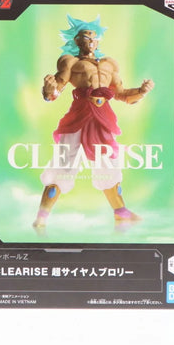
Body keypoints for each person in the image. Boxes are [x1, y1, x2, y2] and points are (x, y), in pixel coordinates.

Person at [33, 15, 154, 228]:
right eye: (86, 36)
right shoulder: (70, 62)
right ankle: (41, 217)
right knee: (63, 164)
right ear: (77, 40)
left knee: (108, 165)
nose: (91, 40)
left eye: (94, 37)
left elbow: (122, 94)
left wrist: (142, 92)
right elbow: (56, 90)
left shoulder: (109, 64)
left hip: (103, 118)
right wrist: (48, 90)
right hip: (79, 116)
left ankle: (121, 213)